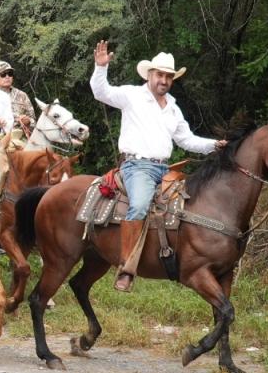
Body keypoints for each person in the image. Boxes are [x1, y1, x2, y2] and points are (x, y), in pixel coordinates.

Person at [90, 41, 224, 291]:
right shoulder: (132, 95)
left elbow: (186, 140)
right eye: (160, 75)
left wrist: (215, 145)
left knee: (190, 205)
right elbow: (101, 92)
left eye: (168, 76)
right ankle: (127, 268)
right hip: (136, 167)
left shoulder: (172, 107)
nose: (164, 80)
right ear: (149, 75)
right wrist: (101, 67)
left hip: (165, 169)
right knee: (140, 205)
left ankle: (176, 258)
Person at [0, 61, 35, 136]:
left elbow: (34, 122)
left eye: (10, 73)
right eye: (3, 74)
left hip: (20, 138)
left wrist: (28, 122)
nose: (7, 77)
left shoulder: (22, 95)